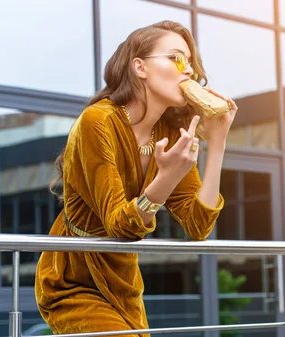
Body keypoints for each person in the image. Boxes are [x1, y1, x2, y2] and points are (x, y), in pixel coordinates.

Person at [34, 20, 236, 336]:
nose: (189, 73)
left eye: (192, 66)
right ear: (139, 67)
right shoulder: (97, 121)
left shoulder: (168, 132)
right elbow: (119, 224)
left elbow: (199, 225)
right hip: (72, 278)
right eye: (176, 58)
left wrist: (218, 141)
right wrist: (166, 177)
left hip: (125, 281)